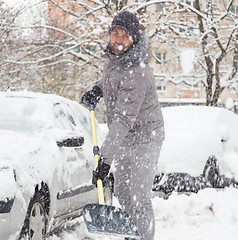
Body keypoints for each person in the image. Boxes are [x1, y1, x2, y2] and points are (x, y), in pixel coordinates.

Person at [82, 11, 165, 240]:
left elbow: (122, 119)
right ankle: (133, 233)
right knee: (122, 191)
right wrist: (98, 89)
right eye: (115, 33)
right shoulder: (114, 59)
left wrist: (105, 161)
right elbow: (112, 78)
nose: (118, 40)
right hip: (127, 138)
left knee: (139, 196)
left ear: (134, 39)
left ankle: (143, 236)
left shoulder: (137, 71)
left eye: (125, 35)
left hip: (147, 137)